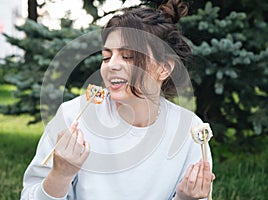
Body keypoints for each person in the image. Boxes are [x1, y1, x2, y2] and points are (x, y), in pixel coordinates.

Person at [21, 0, 215, 199]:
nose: (111, 65)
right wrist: (60, 175)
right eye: (106, 57)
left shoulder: (190, 130)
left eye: (128, 56)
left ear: (164, 68)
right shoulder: (72, 117)